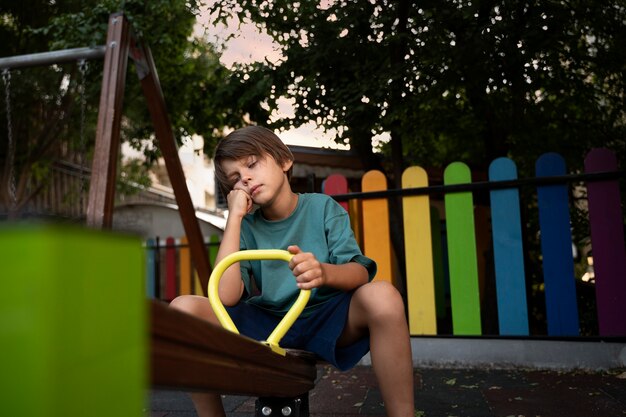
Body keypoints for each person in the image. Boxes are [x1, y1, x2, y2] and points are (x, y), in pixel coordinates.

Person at [170, 126, 414, 417]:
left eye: (251, 164)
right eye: (235, 179)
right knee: (182, 307)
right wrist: (234, 218)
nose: (245, 178)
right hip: (271, 323)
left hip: (324, 316)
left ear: (284, 161)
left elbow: (359, 272)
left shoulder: (322, 207)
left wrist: (324, 273)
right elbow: (226, 296)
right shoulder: (246, 226)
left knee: (383, 295)